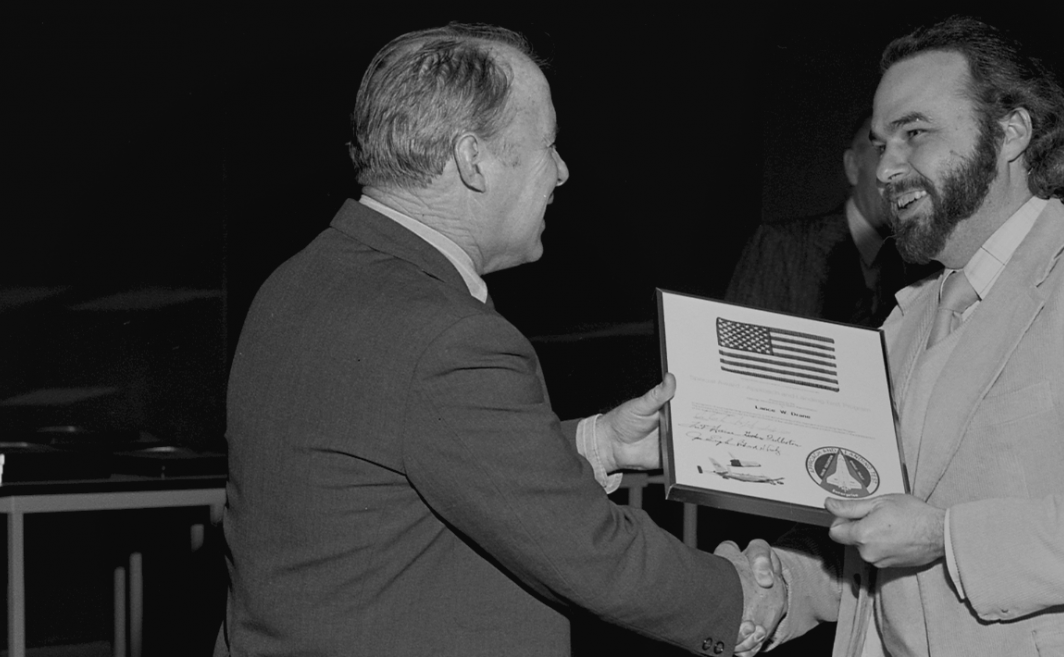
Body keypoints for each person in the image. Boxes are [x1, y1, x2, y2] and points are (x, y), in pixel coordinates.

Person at [216, 23, 781, 656]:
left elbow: (413, 461)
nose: (563, 173)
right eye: (548, 144)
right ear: (472, 160)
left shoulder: (300, 280)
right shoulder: (447, 335)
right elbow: (589, 554)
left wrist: (598, 442)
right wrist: (738, 601)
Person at [740, 15, 1064, 656]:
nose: (887, 169)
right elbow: (883, 545)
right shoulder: (907, 319)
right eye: (882, 144)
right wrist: (781, 584)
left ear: (1011, 132)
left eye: (915, 133)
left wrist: (945, 536)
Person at [724, 117, 934, 327]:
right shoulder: (781, 247)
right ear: (852, 167)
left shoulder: (921, 264)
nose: (898, 172)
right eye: (881, 150)